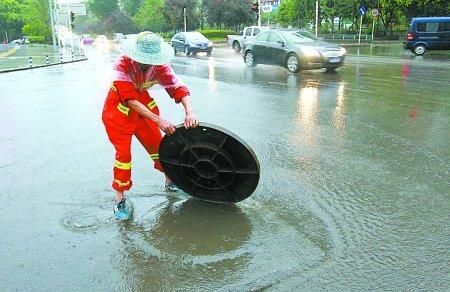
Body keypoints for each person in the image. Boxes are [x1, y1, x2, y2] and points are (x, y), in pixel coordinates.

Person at [102, 31, 198, 220]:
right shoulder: (122, 65)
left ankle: (170, 181)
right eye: (145, 60)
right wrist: (159, 120)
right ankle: (119, 199)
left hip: (143, 108)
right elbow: (129, 100)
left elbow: (177, 87)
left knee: (159, 147)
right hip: (118, 112)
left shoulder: (160, 66)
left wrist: (190, 112)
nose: (148, 64)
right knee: (124, 156)